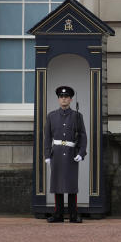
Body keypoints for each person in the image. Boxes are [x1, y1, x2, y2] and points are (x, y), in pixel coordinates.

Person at [43, 85, 87, 223]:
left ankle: (73, 214)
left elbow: (82, 136)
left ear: (71, 99)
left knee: (71, 184)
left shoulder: (77, 116)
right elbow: (47, 137)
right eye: (61, 97)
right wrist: (47, 155)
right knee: (57, 184)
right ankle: (58, 214)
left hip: (70, 153)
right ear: (58, 99)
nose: (64, 99)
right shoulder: (51, 116)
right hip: (56, 153)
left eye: (66, 97)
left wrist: (81, 152)